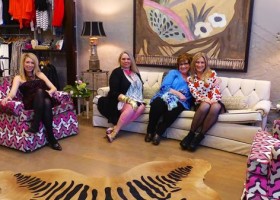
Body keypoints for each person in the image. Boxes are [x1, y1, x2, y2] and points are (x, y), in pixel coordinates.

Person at [0, 53, 62, 151]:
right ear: (23, 63)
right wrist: (7, 98)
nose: (29, 65)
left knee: (45, 99)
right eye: (27, 62)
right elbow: (12, 93)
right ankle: (52, 139)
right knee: (43, 97)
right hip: (30, 102)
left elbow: (53, 87)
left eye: (32, 63)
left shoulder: (40, 74)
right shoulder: (18, 77)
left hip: (44, 98)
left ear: (35, 64)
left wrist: (50, 92)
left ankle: (37, 126)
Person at [180, 52, 225, 152]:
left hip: (214, 100)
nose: (200, 65)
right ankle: (191, 134)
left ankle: (199, 137)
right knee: (205, 106)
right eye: (197, 62)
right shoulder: (190, 78)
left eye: (202, 62)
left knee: (215, 107)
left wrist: (213, 99)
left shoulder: (212, 74)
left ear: (205, 63)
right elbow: (194, 92)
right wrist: (204, 99)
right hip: (200, 102)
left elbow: (215, 88)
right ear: (194, 63)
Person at [97, 51, 146, 142]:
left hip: (136, 98)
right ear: (120, 60)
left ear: (131, 60)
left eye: (128, 59)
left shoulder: (136, 73)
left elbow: (140, 88)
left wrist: (136, 99)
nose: (126, 61)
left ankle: (114, 127)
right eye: (123, 59)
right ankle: (114, 133)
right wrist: (129, 100)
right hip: (120, 99)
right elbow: (114, 91)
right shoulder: (117, 72)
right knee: (132, 106)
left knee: (142, 107)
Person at [145, 53, 193, 145]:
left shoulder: (193, 77)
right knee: (157, 104)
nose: (183, 66)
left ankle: (158, 133)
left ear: (190, 64)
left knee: (174, 109)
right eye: (181, 64)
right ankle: (150, 131)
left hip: (181, 101)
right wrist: (178, 93)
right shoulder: (173, 73)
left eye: (186, 64)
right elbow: (164, 87)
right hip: (166, 95)